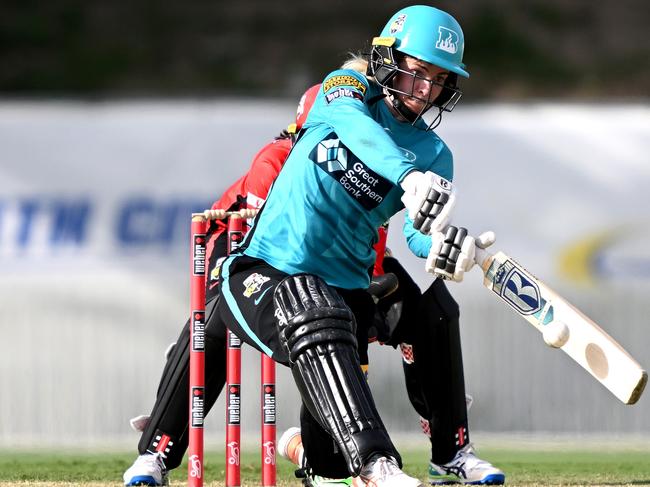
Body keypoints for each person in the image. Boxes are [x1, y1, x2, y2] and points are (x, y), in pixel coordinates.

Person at [213, 5, 498, 487]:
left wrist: (441, 246)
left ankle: (414, 454)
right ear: (388, 58)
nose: (426, 90)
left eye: (440, 79)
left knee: (327, 465)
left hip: (346, 298)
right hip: (263, 271)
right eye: (418, 71)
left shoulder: (435, 154)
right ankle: (378, 466)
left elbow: (414, 229)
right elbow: (353, 127)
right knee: (312, 303)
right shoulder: (343, 91)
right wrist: (406, 176)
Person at [122, 85, 322, 487]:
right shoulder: (278, 158)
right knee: (217, 318)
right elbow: (255, 244)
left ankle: (441, 438)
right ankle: (157, 448)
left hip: (307, 262)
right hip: (231, 246)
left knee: (422, 308)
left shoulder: (359, 164)